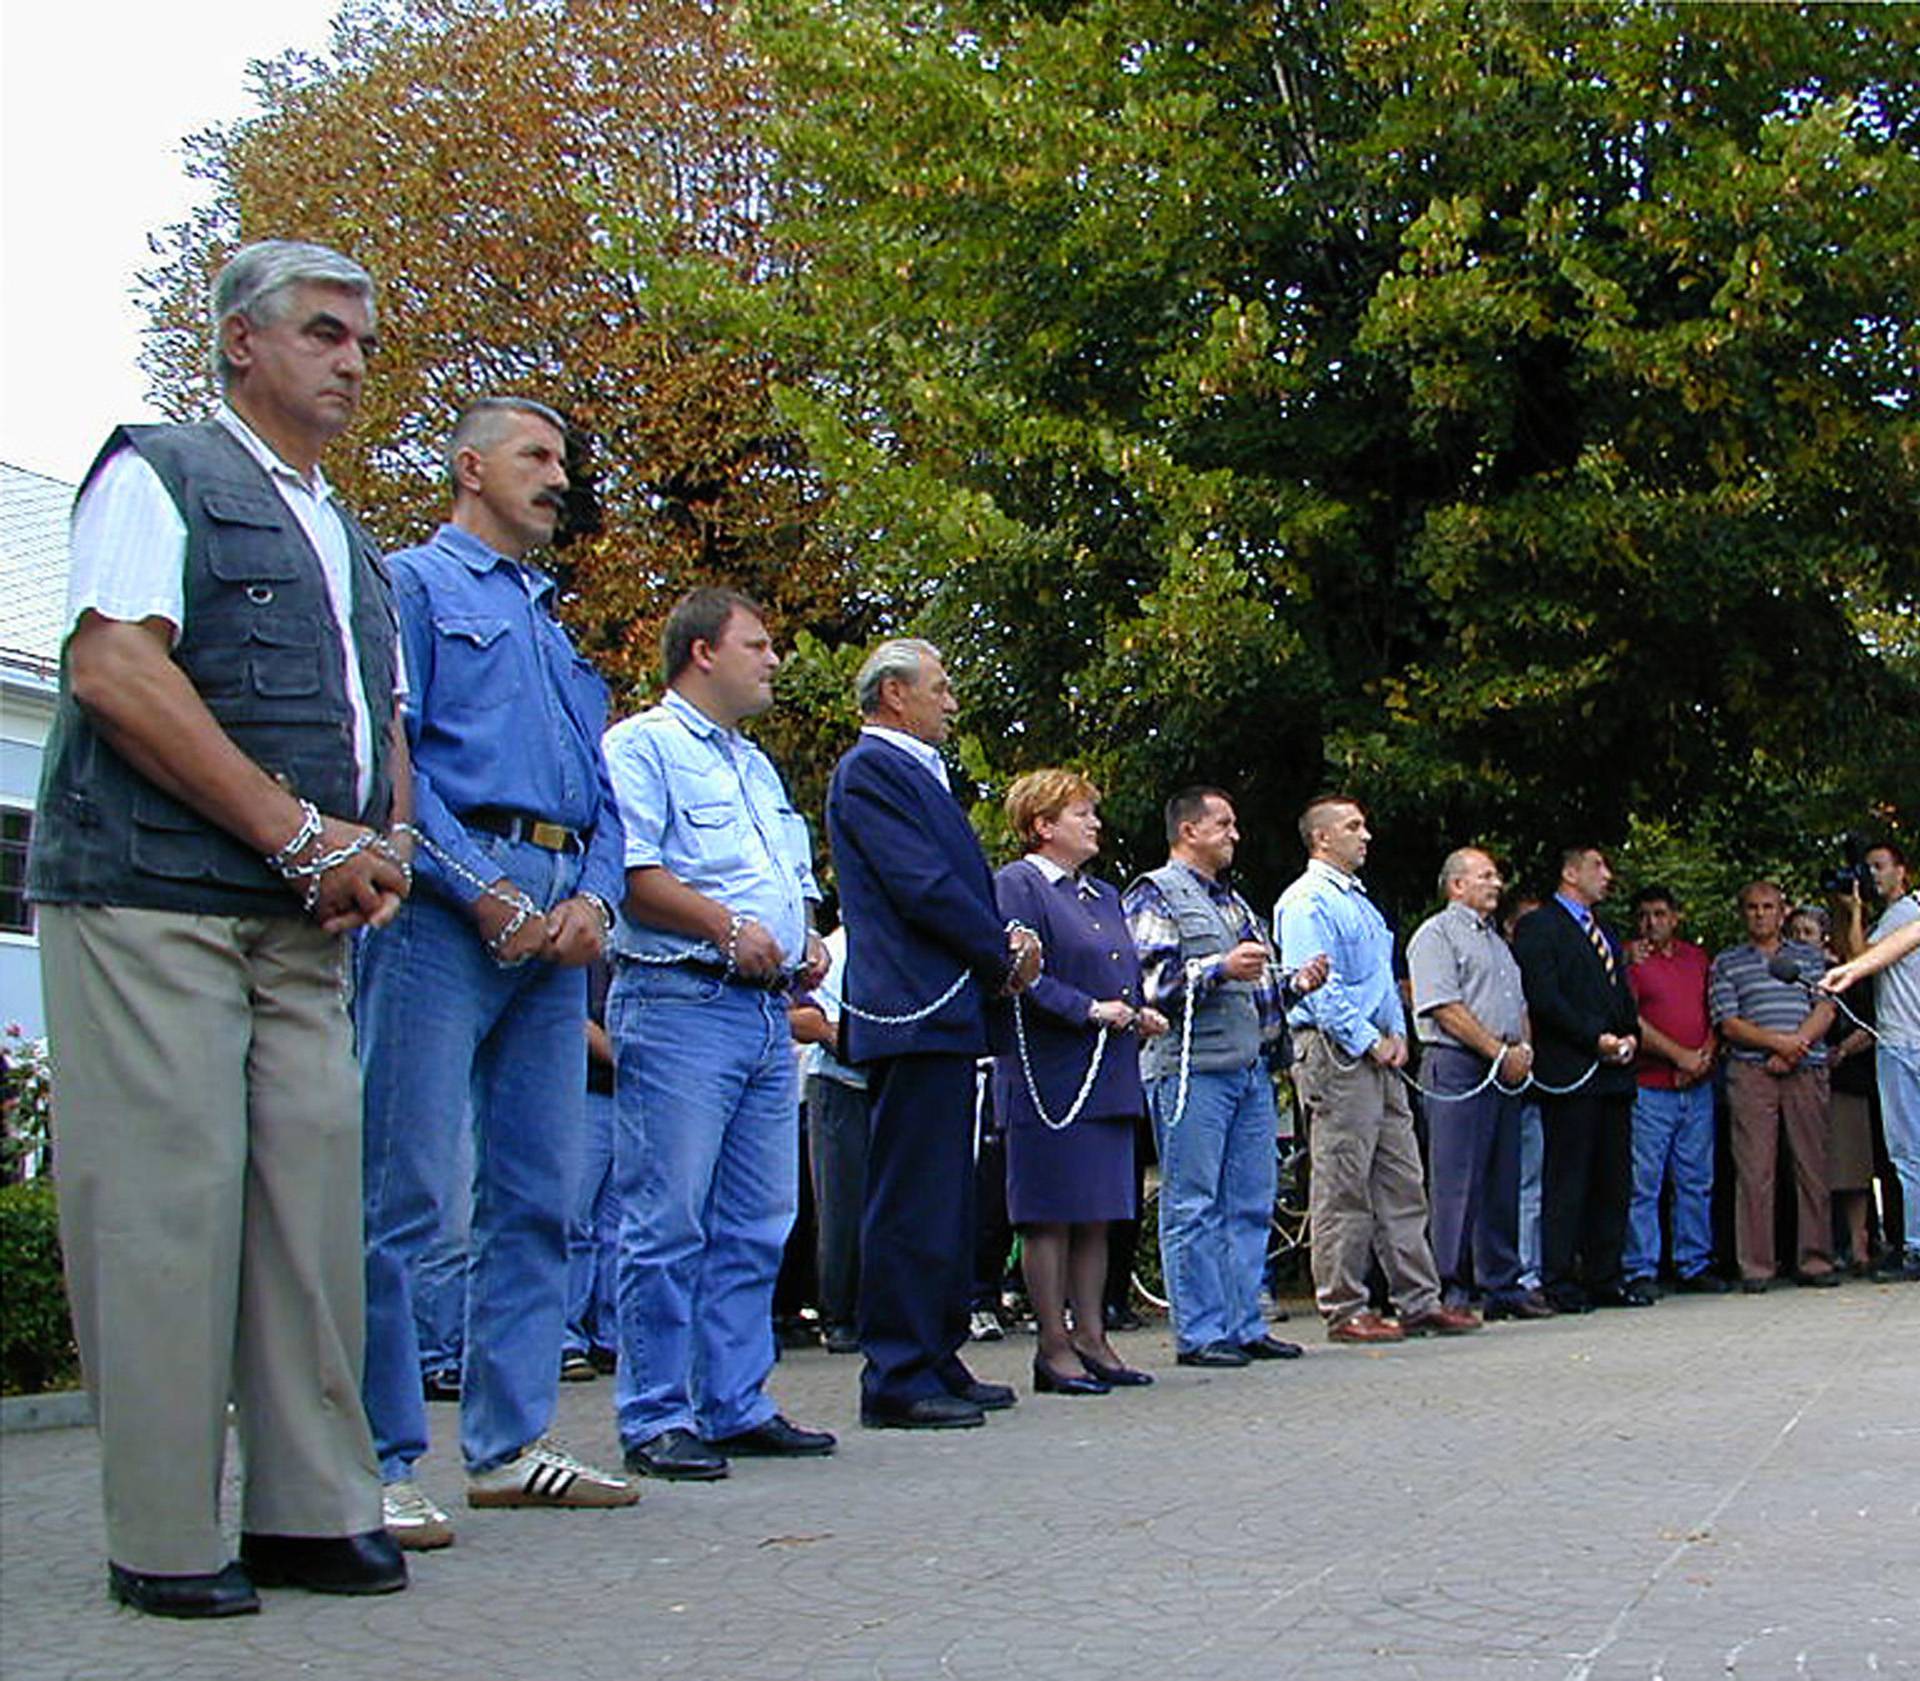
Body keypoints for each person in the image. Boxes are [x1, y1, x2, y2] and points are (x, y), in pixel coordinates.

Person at [28, 240, 410, 1615]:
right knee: (165, 1214)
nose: (353, 361)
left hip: (301, 920)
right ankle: (166, 1535)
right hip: (152, 901)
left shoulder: (346, 533)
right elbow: (115, 668)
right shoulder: (161, 470)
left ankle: (314, 1510)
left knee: (311, 1215)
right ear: (243, 343)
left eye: (360, 339)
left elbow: (385, 722)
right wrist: (299, 835)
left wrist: (389, 845)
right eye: (322, 333)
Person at [357, 396, 636, 1552]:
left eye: (565, 459)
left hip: (555, 931)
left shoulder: (560, 632)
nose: (558, 476)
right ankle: (371, 1459)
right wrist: (486, 892)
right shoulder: (412, 587)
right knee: (403, 1193)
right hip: (439, 923)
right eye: (537, 455)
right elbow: (392, 756)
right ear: (468, 466)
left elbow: (605, 799)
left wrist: (594, 900)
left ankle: (511, 1445)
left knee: (538, 1195)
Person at [601, 587, 837, 1479]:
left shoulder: (757, 766)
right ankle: (656, 1411)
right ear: (702, 652)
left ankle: (734, 1400)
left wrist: (802, 935)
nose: (774, 659)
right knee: (667, 1220)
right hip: (679, 1004)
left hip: (762, 1015)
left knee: (758, 1219)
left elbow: (784, 878)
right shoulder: (641, 747)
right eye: (760, 643)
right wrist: (724, 928)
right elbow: (630, 870)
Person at [825, 638, 1041, 1429]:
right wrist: (999, 951)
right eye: (940, 687)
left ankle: (935, 1348)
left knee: (946, 1197)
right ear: (892, 694)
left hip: (944, 1008)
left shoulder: (918, 772)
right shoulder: (870, 771)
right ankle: (896, 1371)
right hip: (911, 1008)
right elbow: (922, 885)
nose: (953, 702)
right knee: (910, 1197)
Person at [1123, 787, 1324, 1367]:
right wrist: (1220, 966)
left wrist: (1296, 983)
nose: (1236, 833)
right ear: (1189, 831)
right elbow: (1149, 983)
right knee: (1193, 1202)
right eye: (1224, 823)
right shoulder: (1155, 893)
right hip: (1191, 1073)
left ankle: (1244, 1323)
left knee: (1251, 1201)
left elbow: (1253, 988)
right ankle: (1201, 1333)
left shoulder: (1235, 903)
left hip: (1250, 1071)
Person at [1277, 797, 1480, 1344]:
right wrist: (1371, 1041)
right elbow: (1318, 987)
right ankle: (1344, 1307)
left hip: (1379, 1055)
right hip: (1337, 1053)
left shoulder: (1360, 904)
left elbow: (1380, 980)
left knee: (1402, 1179)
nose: (1366, 835)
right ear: (1321, 839)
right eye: (1353, 826)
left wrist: (1397, 1035)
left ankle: (1418, 1299)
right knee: (1343, 1182)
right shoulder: (1306, 902)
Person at [992, 770, 1167, 1396]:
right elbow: (1018, 972)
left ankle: (1093, 1337)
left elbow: (1118, 972)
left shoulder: (1103, 894)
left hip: (1109, 1070)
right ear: (1043, 825)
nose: (1095, 823)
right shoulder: (1018, 885)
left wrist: (1136, 1009)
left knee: (1099, 1211)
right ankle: (1052, 1345)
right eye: (1081, 814)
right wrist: (1086, 1010)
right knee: (1049, 1214)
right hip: (1051, 1072)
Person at [1405, 848, 1542, 1319]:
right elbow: (1443, 1005)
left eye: (1497, 876)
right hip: (1460, 1064)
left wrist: (1521, 1048)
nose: (1496, 883)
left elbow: (1517, 1005)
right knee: (1456, 1180)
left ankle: (1501, 1284)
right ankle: (1451, 1285)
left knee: (1503, 1177)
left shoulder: (1498, 943)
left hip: (1504, 1065)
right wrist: (1497, 1051)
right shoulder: (1435, 935)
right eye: (1485, 875)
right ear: (1456, 885)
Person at [1512, 846, 1645, 1313]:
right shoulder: (1539, 927)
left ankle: (1606, 1276)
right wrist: (1596, 1039)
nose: (1607, 876)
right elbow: (1545, 998)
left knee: (1613, 1179)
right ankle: (1561, 1279)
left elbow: (1618, 992)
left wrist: (1628, 1035)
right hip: (1570, 1071)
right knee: (1568, 1178)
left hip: (1614, 1073)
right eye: (1597, 867)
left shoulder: (1604, 931)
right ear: (1570, 873)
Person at [1708, 881, 1837, 1291]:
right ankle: (1757, 1268)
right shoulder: (1727, 962)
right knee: (1754, 1171)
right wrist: (1777, 1044)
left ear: (1783, 913)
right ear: (1742, 913)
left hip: (1806, 1067)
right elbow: (1728, 1022)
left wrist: (1796, 1046)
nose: (1760, 914)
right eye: (1752, 908)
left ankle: (1816, 1261)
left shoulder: (1809, 958)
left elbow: (1826, 1008)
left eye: (1768, 907)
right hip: (1752, 1070)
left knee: (1811, 1167)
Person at [1823, 843, 1920, 1281]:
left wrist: (1856, 917)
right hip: (1898, 1041)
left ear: (1903, 871)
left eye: (1879, 867)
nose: (1871, 875)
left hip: (1904, 1043)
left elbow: (1861, 955)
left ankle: (1916, 1247)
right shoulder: (1897, 919)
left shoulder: (1904, 910)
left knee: (1908, 1155)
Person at [1623, 885, 1725, 1293]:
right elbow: (1630, 1019)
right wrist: (1679, 1056)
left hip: (1697, 1086)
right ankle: (1641, 1268)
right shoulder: (1630, 960)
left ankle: (1693, 1262)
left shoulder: (1697, 958)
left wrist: (1702, 1058)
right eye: (1645, 915)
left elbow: (1716, 1012)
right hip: (1650, 1085)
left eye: (1660, 914)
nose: (1652, 923)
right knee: (1644, 1183)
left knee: (1696, 1179)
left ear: (1676, 917)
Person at [787, 922, 869, 1354]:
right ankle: (840, 1314)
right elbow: (802, 1017)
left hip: (892, 1090)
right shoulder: (840, 946)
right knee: (842, 1204)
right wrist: (858, 1043)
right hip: (840, 1085)